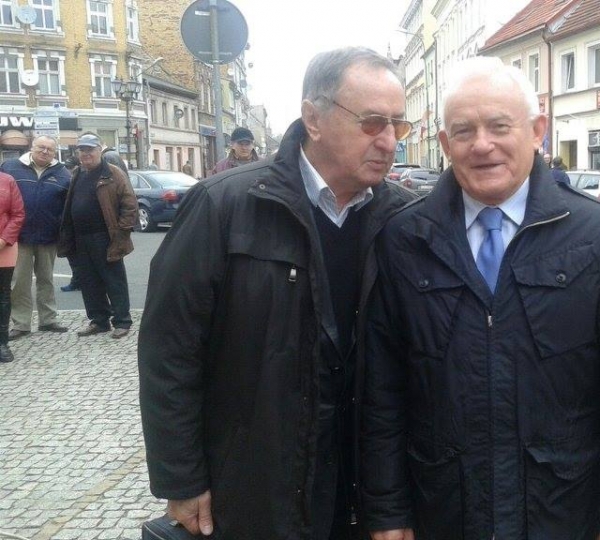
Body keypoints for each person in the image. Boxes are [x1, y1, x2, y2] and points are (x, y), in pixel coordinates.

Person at [360, 57, 600, 540]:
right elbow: (383, 390)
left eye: (500, 126)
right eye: (464, 131)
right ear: (445, 144)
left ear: (537, 131)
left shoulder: (599, 237)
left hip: (561, 511)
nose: (482, 145)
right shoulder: (404, 239)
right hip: (443, 510)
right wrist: (387, 510)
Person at [138, 47, 416, 540]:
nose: (389, 140)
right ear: (314, 118)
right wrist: (181, 478)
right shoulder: (224, 205)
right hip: (258, 482)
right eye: (373, 122)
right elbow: (170, 350)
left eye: (399, 124)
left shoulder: (404, 217)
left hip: (363, 484)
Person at [57, 133, 137, 339]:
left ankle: (122, 321)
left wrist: (121, 232)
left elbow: (129, 204)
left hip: (106, 236)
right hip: (81, 238)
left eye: (90, 150)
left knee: (114, 281)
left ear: (99, 150)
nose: (86, 154)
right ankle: (99, 321)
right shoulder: (77, 173)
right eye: (82, 150)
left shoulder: (113, 173)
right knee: (89, 282)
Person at [0, 136, 72, 340]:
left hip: (48, 235)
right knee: (19, 282)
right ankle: (21, 323)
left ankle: (48, 320)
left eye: (50, 149)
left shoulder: (62, 173)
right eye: (41, 147)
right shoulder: (11, 167)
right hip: (19, 236)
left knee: (46, 279)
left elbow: (67, 206)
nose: (45, 151)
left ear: (54, 152)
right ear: (32, 147)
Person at [0, 170, 25, 362]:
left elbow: (18, 214)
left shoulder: (7, 181)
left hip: (3, 246)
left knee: (2, 296)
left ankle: (2, 342)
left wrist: (4, 239)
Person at [59, 156, 81, 293]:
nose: (69, 170)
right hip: (67, 223)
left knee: (77, 255)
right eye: (67, 167)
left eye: (71, 167)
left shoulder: (80, 179)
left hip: (78, 224)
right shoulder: (67, 179)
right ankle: (77, 280)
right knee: (71, 254)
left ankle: (79, 281)